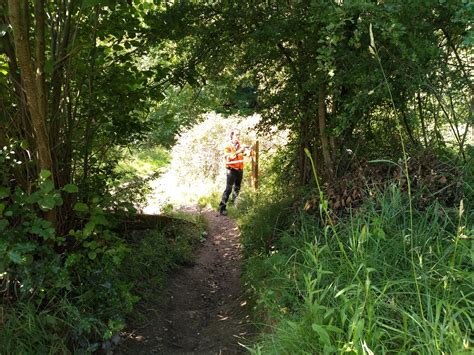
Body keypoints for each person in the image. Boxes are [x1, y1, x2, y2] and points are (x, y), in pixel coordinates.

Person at [218, 129, 248, 216]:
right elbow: (229, 157)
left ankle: (233, 204)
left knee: (237, 187)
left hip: (239, 169)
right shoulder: (227, 146)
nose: (238, 136)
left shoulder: (240, 145)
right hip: (231, 170)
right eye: (236, 135)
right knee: (228, 189)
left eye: (239, 135)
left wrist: (247, 152)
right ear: (232, 135)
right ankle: (222, 207)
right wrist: (240, 150)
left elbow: (244, 154)